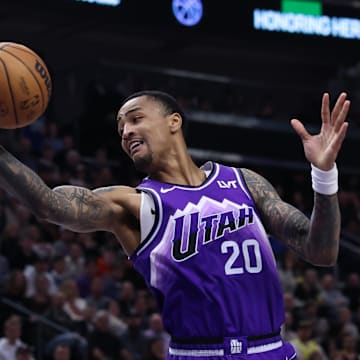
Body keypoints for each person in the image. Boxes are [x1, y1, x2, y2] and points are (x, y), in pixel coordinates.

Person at [0, 90, 350, 359]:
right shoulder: (133, 205)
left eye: (135, 119)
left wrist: (323, 175)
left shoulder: (244, 182)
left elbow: (320, 250)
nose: (126, 132)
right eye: (121, 128)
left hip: (271, 349)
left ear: (174, 122)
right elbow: (48, 204)